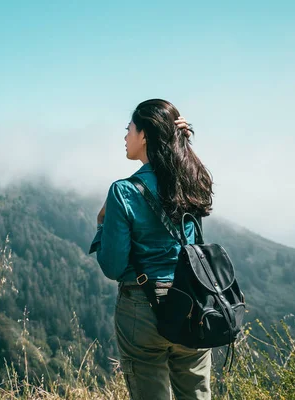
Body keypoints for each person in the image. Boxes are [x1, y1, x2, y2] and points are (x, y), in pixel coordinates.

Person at [89, 99, 214, 400]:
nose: (125, 136)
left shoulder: (124, 191)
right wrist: (183, 140)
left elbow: (113, 267)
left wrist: (101, 225)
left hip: (142, 309)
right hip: (192, 302)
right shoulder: (192, 181)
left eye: (129, 129)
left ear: (144, 135)